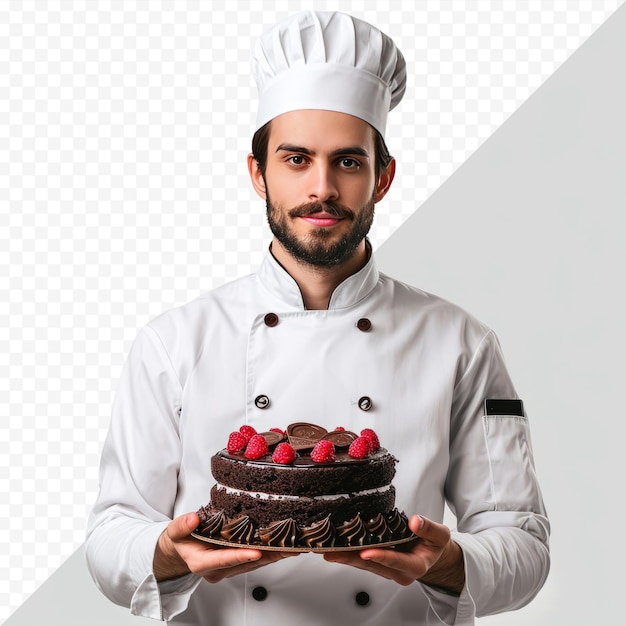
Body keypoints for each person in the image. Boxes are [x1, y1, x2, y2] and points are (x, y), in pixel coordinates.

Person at [86, 10, 550, 625]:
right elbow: (110, 534)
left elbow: (523, 543)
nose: (322, 188)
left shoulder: (461, 343)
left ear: (382, 177)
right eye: (297, 159)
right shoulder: (173, 343)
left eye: (348, 162)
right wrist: (164, 552)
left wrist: (446, 561)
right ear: (259, 174)